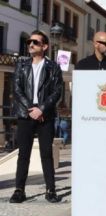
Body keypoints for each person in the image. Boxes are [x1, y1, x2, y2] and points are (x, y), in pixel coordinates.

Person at [9, 30, 63, 203]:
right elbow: (16, 90)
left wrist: (42, 109)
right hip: (25, 114)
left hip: (45, 116)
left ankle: (50, 190)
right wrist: (31, 109)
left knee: (46, 154)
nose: (30, 44)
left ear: (45, 46)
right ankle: (19, 190)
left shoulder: (53, 67)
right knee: (23, 154)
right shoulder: (21, 65)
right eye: (29, 42)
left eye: (35, 42)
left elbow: (57, 92)